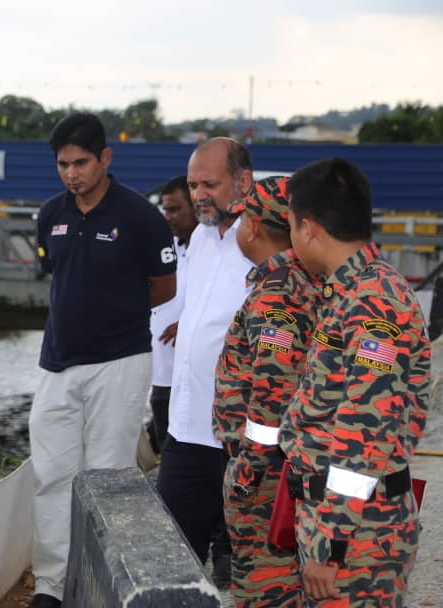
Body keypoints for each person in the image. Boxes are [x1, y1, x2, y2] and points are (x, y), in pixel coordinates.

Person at [29, 112, 177, 608]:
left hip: (119, 361)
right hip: (57, 364)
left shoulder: (140, 217)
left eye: (82, 162)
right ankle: (52, 585)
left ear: (105, 158)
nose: (73, 173)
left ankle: (99, 584)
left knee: (107, 476)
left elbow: (163, 287)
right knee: (51, 474)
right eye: (64, 164)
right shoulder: (51, 214)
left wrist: (114, 314)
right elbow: (56, 275)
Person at [279, 157, 430, 606]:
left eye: (289, 226)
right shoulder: (349, 291)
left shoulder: (373, 302)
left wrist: (331, 540)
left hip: (358, 535)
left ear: (308, 228)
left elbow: (366, 431)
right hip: (344, 521)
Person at [213, 176, 319, 606]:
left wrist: (247, 473)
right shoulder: (305, 281)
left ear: (253, 227)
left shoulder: (277, 296)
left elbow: (273, 394)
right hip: (290, 468)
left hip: (269, 477)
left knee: (265, 590)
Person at [156, 137, 254, 585]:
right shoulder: (198, 235)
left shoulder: (263, 240)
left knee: (246, 564)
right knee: (170, 555)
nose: (198, 195)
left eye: (209, 184)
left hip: (239, 434)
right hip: (186, 425)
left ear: (243, 181)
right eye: (194, 184)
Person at [149, 175, 197, 452]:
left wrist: (189, 325)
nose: (168, 217)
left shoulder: (216, 250)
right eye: (165, 210)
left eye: (175, 209)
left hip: (192, 379)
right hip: (161, 376)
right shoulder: (168, 249)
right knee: (167, 458)